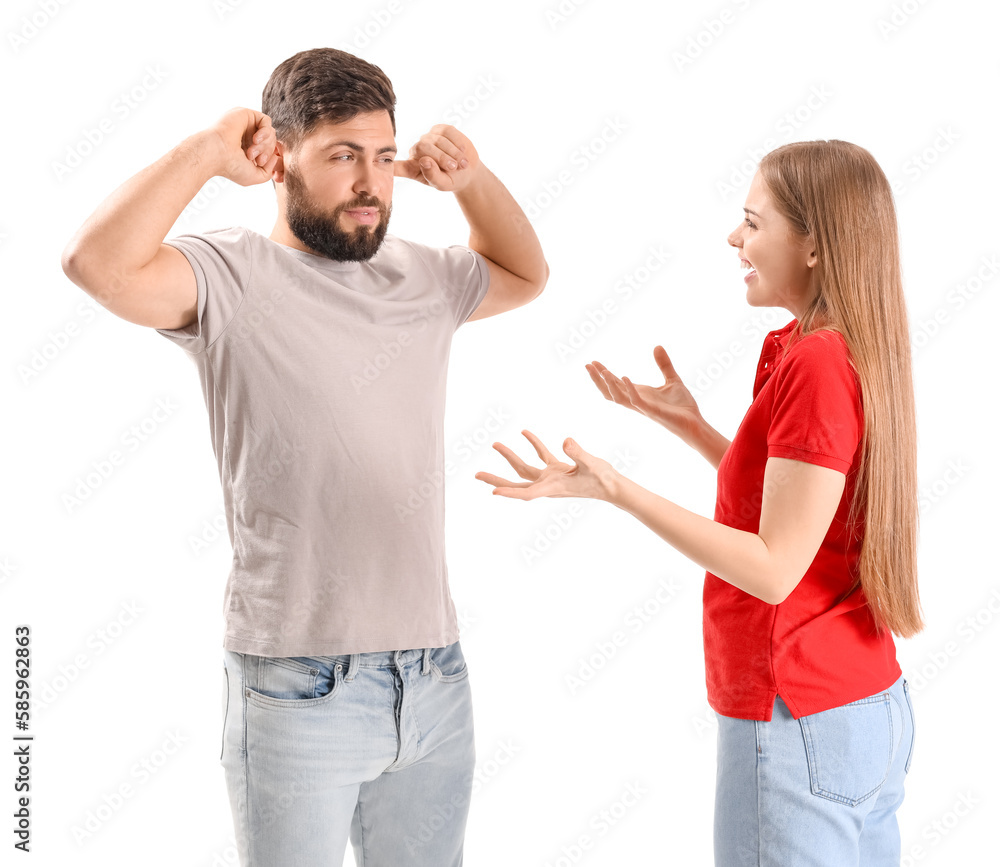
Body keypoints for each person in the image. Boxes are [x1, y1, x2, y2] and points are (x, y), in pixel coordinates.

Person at [61, 47, 547, 866]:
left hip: (433, 674)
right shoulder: (227, 275)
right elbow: (95, 264)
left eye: (384, 156)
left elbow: (525, 272)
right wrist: (211, 152)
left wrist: (471, 178)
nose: (371, 182)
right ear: (280, 161)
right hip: (296, 688)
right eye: (343, 156)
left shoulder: (421, 278)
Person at [476, 139, 921, 866]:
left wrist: (615, 487)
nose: (734, 238)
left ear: (813, 245)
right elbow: (808, 511)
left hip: (795, 708)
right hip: (868, 707)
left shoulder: (814, 360)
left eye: (753, 221)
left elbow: (775, 567)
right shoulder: (841, 343)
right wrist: (696, 429)